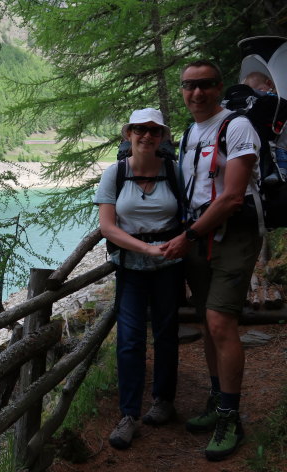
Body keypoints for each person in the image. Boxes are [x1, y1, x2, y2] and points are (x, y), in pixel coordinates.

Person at [161, 60, 263, 461]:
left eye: (205, 85)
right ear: (182, 90)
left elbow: (233, 195)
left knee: (220, 320)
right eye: (189, 86)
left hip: (232, 234)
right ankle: (217, 399)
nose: (197, 93)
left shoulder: (236, 126)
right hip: (200, 235)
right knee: (206, 321)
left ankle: (230, 416)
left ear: (220, 87)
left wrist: (188, 235)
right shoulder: (191, 132)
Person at [94, 108, 184, 450]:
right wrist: (147, 250)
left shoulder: (174, 172)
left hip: (170, 268)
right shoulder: (114, 174)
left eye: (154, 131)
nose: (146, 136)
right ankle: (129, 414)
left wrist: (175, 246)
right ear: (128, 134)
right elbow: (108, 227)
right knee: (130, 339)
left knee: (166, 333)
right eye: (140, 130)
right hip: (131, 268)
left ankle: (163, 401)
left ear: (162, 137)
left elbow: (189, 214)